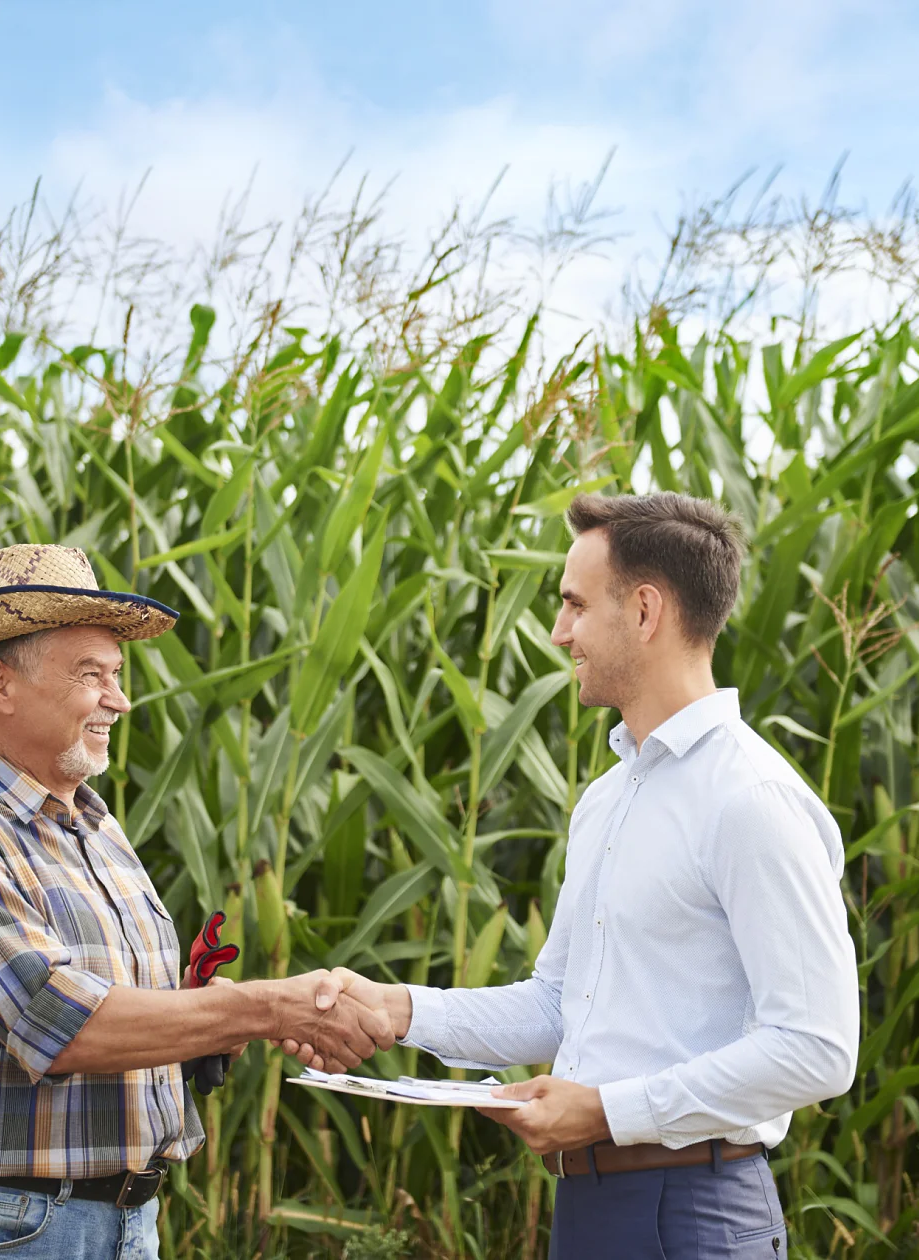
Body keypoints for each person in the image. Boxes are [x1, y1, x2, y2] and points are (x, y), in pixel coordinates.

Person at [326, 493, 860, 1259]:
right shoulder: (609, 798)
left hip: (694, 1211)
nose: (558, 631)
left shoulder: (751, 800)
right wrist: (399, 1009)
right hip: (588, 1206)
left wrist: (609, 1110)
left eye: (576, 605)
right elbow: (558, 1005)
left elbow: (817, 1048)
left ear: (645, 611)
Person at [0, 544, 393, 1260]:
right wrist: (269, 1008)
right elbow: (59, 1022)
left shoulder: (96, 825)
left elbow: (120, 1007)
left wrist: (212, 1020)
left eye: (117, 675)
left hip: (122, 1225)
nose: (120, 699)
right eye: (91, 676)